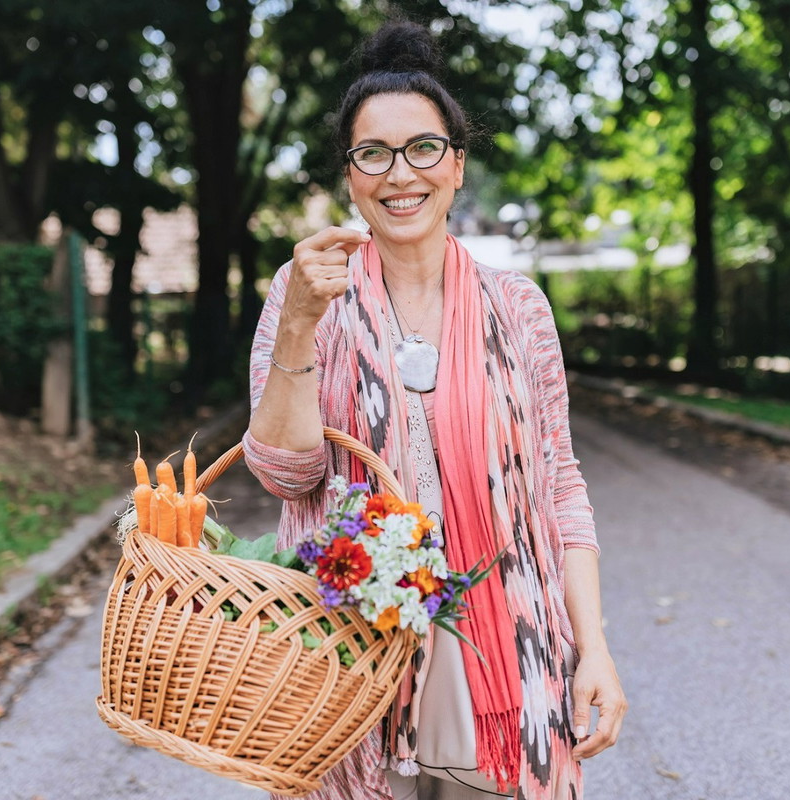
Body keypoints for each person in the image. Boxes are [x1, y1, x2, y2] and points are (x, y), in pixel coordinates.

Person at [243, 20, 626, 800]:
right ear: (350, 177)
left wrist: (595, 650)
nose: (399, 174)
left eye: (422, 148)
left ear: (455, 164)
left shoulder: (518, 307)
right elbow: (286, 474)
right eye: (372, 154)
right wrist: (298, 329)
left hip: (508, 655)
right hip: (352, 656)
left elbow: (560, 489)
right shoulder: (307, 293)